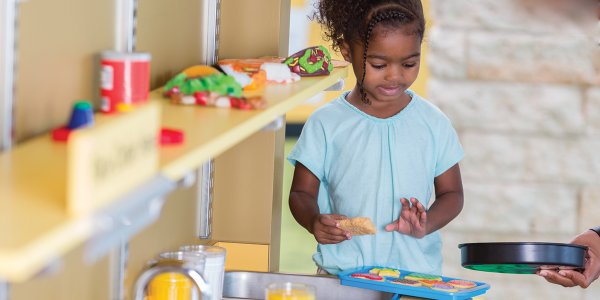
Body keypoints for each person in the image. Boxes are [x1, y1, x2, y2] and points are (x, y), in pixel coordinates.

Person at [287, 0, 464, 275]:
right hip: (343, 276)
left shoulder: (433, 122)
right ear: (348, 51)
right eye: (379, 64)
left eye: (409, 63)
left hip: (415, 278)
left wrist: (425, 224)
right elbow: (300, 192)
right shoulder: (326, 122)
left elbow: (452, 194)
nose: (395, 76)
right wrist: (313, 220)